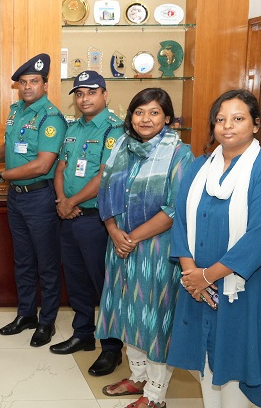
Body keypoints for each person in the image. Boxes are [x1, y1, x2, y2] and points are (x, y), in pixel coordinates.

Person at [167, 89, 261, 408]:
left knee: (235, 359)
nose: (228, 126)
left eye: (238, 118)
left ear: (255, 124)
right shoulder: (198, 168)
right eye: (220, 119)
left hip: (240, 288)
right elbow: (180, 220)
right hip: (198, 286)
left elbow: (259, 238)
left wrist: (207, 276)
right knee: (206, 362)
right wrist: (192, 274)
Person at [94, 88, 194, 408]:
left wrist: (131, 237)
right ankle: (137, 376)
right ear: (131, 116)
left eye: (154, 112)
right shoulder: (121, 147)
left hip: (156, 249)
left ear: (168, 118)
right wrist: (114, 231)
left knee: (153, 318)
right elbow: (105, 194)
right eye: (139, 112)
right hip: (119, 245)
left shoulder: (179, 153)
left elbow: (175, 208)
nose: (145, 119)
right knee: (127, 312)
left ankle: (155, 394)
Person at [0, 53, 66, 347]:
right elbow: (11, 144)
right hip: (17, 197)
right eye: (23, 82)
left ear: (45, 85)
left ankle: (47, 321)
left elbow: (42, 164)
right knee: (23, 260)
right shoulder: (16, 110)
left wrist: (0, 175)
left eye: (34, 81)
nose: (27, 87)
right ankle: (26, 314)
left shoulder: (51, 118)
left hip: (40, 197)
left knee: (46, 263)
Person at [49, 70, 126, 377]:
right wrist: (62, 201)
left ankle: (111, 348)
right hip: (69, 217)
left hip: (96, 219)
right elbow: (61, 168)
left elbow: (104, 175)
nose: (84, 99)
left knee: (103, 283)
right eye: (79, 94)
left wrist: (71, 202)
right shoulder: (72, 128)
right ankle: (83, 333)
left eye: (91, 92)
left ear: (105, 95)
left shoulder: (114, 129)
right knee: (76, 279)